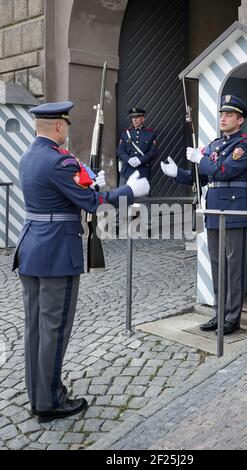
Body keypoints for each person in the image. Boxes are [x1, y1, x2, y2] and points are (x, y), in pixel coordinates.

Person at [12, 101, 150, 423]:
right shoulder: (59, 162)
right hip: (56, 253)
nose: (67, 130)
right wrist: (129, 190)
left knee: (35, 327)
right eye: (67, 125)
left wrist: (88, 179)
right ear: (60, 126)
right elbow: (94, 202)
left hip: (32, 247)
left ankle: (38, 394)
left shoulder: (28, 157)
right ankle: (49, 401)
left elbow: (66, 192)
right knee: (54, 329)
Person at [161, 95, 247, 335]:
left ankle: (233, 318)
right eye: (222, 114)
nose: (223, 118)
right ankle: (219, 313)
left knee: (233, 267)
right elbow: (202, 177)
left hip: (234, 209)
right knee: (218, 265)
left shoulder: (244, 145)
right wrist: (178, 173)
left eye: (229, 115)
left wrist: (201, 159)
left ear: (240, 119)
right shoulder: (214, 145)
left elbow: (224, 172)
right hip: (214, 207)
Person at [117, 108, 158, 186]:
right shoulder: (126, 133)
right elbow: (120, 151)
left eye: (137, 117)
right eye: (133, 118)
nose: (134, 120)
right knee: (122, 197)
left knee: (142, 197)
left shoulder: (150, 134)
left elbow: (153, 152)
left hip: (142, 171)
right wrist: (128, 160)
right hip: (126, 171)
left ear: (142, 119)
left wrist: (140, 161)